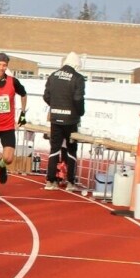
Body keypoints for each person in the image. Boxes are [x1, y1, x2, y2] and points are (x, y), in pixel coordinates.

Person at [0, 53, 27, 204]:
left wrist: (22, 113)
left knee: (8, 158)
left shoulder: (13, 82)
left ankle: (3, 165)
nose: (2, 68)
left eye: (4, 65)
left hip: (7, 125)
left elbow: (24, 94)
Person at [43, 52, 86, 190]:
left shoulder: (53, 75)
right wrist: (80, 112)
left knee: (54, 149)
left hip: (55, 117)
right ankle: (70, 182)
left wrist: (55, 106)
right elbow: (78, 99)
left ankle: (51, 180)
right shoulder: (78, 78)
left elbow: (46, 96)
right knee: (71, 150)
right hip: (71, 120)